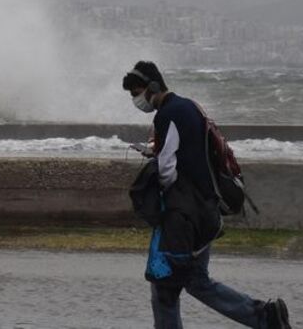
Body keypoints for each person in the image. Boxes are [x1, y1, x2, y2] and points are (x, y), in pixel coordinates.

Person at [123, 60, 292, 329]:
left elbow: (168, 168)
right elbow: (190, 152)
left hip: (186, 216)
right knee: (192, 281)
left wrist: (162, 191)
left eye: (136, 92)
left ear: (153, 86)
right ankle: (265, 316)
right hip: (205, 209)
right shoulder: (189, 106)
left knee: (167, 287)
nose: (136, 100)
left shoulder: (167, 114)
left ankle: (264, 316)